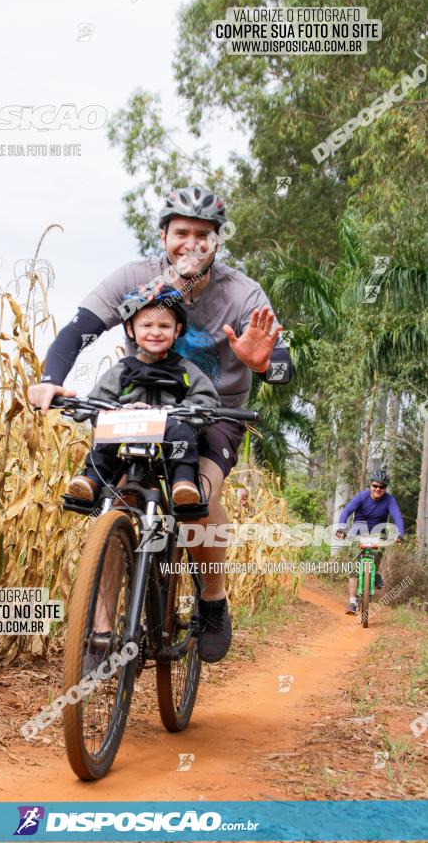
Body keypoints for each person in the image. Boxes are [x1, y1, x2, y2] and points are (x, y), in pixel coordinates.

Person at [28, 184, 292, 663]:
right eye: (181, 232)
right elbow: (78, 329)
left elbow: (282, 365)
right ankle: (102, 630)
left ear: (217, 241)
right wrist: (50, 380)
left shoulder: (243, 293)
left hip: (213, 413)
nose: (191, 243)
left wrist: (262, 365)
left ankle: (212, 600)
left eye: (203, 235)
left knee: (199, 501)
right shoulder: (134, 278)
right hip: (140, 408)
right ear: (164, 235)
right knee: (116, 503)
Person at [66, 285, 219, 506]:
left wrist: (182, 412)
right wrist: (90, 409)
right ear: (130, 329)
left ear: (177, 331)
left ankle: (183, 484)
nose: (155, 332)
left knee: (182, 433)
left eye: (164, 326)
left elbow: (207, 399)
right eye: (146, 325)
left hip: (168, 432)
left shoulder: (186, 369)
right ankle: (90, 481)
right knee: (107, 432)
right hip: (126, 432)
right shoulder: (122, 370)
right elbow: (97, 399)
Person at [335, 469, 405, 615]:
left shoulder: (389, 500)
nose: (378, 489)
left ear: (385, 488)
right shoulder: (362, 496)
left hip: (377, 533)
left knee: (378, 551)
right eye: (375, 486)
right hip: (358, 532)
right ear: (370, 485)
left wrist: (400, 533)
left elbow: (397, 516)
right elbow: (346, 511)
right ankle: (353, 602)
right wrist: (341, 527)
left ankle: (376, 571)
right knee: (354, 568)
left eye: (382, 487)